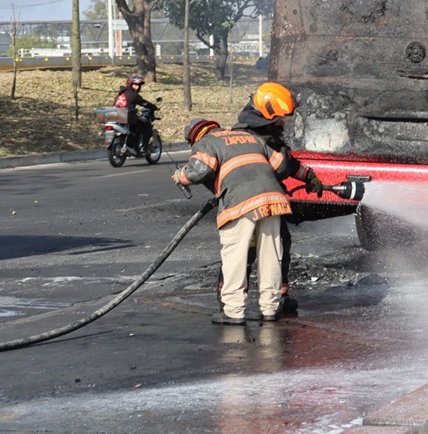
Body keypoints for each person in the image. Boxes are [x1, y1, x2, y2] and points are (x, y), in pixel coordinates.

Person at [172, 106, 322, 325]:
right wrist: (309, 176)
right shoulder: (246, 137)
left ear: (195, 137)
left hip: (240, 203)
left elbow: (198, 171)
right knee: (271, 255)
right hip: (273, 200)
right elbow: (282, 165)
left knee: (236, 256)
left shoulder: (206, 143)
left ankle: (233, 312)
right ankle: (270, 308)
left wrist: (179, 176)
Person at [229, 82, 323, 315]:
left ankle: (272, 297)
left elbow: (290, 165)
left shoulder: (257, 133)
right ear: (268, 113)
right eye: (280, 117)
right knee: (248, 252)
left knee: (273, 247)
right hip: (250, 204)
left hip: (257, 203)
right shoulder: (252, 139)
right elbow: (283, 166)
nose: (283, 122)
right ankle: (236, 301)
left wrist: (309, 177)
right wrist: (306, 175)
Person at [113, 75, 158, 152]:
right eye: (135, 85)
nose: (137, 87)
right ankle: (144, 147)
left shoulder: (121, 94)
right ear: (130, 85)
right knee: (146, 125)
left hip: (115, 116)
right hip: (126, 116)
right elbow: (144, 103)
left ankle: (132, 144)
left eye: (139, 85)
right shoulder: (132, 94)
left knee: (135, 126)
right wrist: (154, 107)